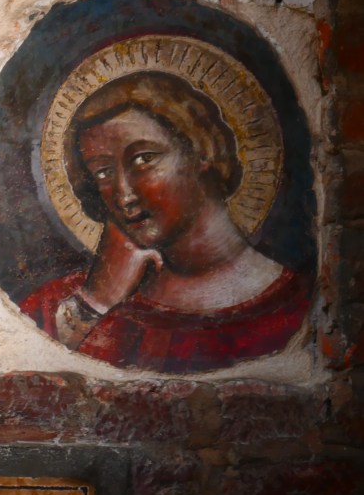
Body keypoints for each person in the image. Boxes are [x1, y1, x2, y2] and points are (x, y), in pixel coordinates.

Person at [21, 71, 309, 372]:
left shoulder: (296, 305)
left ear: (201, 150)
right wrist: (96, 300)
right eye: (103, 172)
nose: (124, 196)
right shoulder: (53, 307)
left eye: (144, 159)